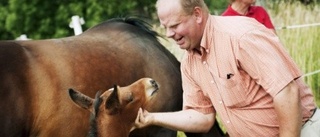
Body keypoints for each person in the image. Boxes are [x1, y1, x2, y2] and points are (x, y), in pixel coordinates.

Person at [134, 0, 319, 137]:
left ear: (197, 14)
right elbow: (202, 117)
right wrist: (151, 118)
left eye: (174, 25)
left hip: (303, 131)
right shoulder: (190, 64)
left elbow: (286, 91)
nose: (169, 34)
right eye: (165, 27)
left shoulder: (240, 37)